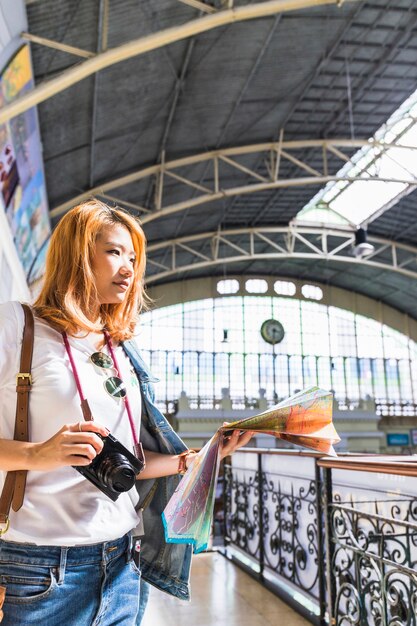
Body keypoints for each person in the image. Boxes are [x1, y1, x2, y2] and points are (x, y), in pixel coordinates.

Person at [0, 199, 252, 625]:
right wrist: (37, 455)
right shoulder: (18, 328)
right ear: (78, 255)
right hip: (38, 570)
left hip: (122, 562)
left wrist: (195, 459)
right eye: (114, 251)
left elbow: (127, 462)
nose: (129, 268)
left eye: (134, 258)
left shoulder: (121, 350)